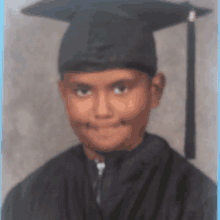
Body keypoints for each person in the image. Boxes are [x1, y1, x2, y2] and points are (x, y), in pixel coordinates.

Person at [1, 0, 217, 220]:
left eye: (120, 88)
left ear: (155, 90)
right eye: (83, 91)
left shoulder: (198, 201)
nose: (102, 111)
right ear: (63, 93)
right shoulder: (26, 200)